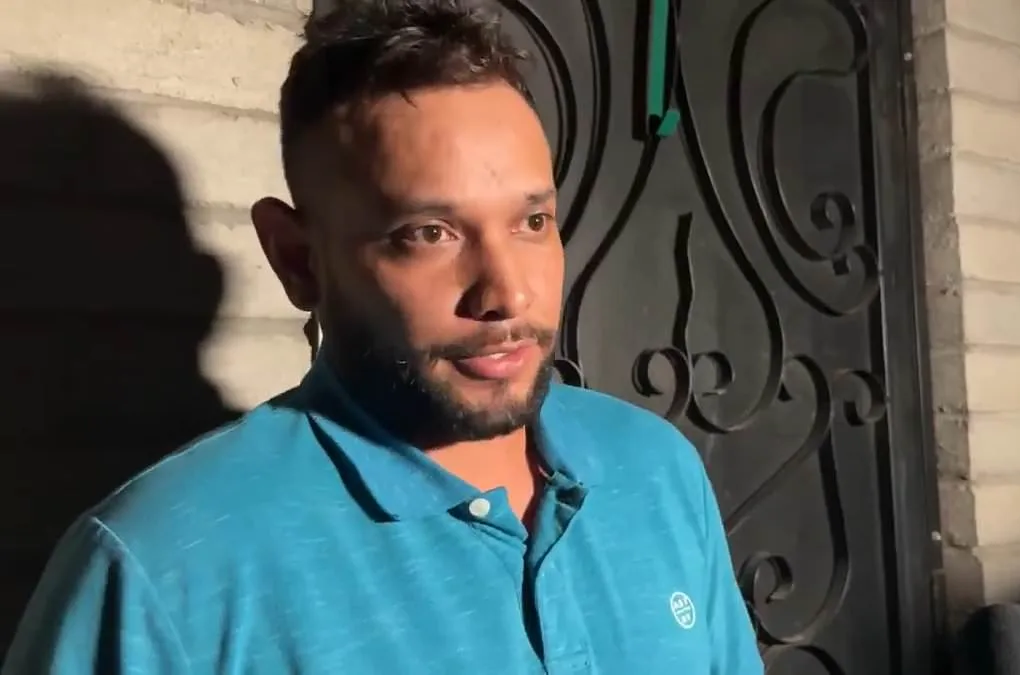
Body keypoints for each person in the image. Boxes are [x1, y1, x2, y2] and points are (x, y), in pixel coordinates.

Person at [1, 1, 764, 673]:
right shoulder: (160, 573)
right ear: (298, 259)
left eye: (532, 221)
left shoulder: (654, 469)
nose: (508, 293)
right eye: (428, 232)